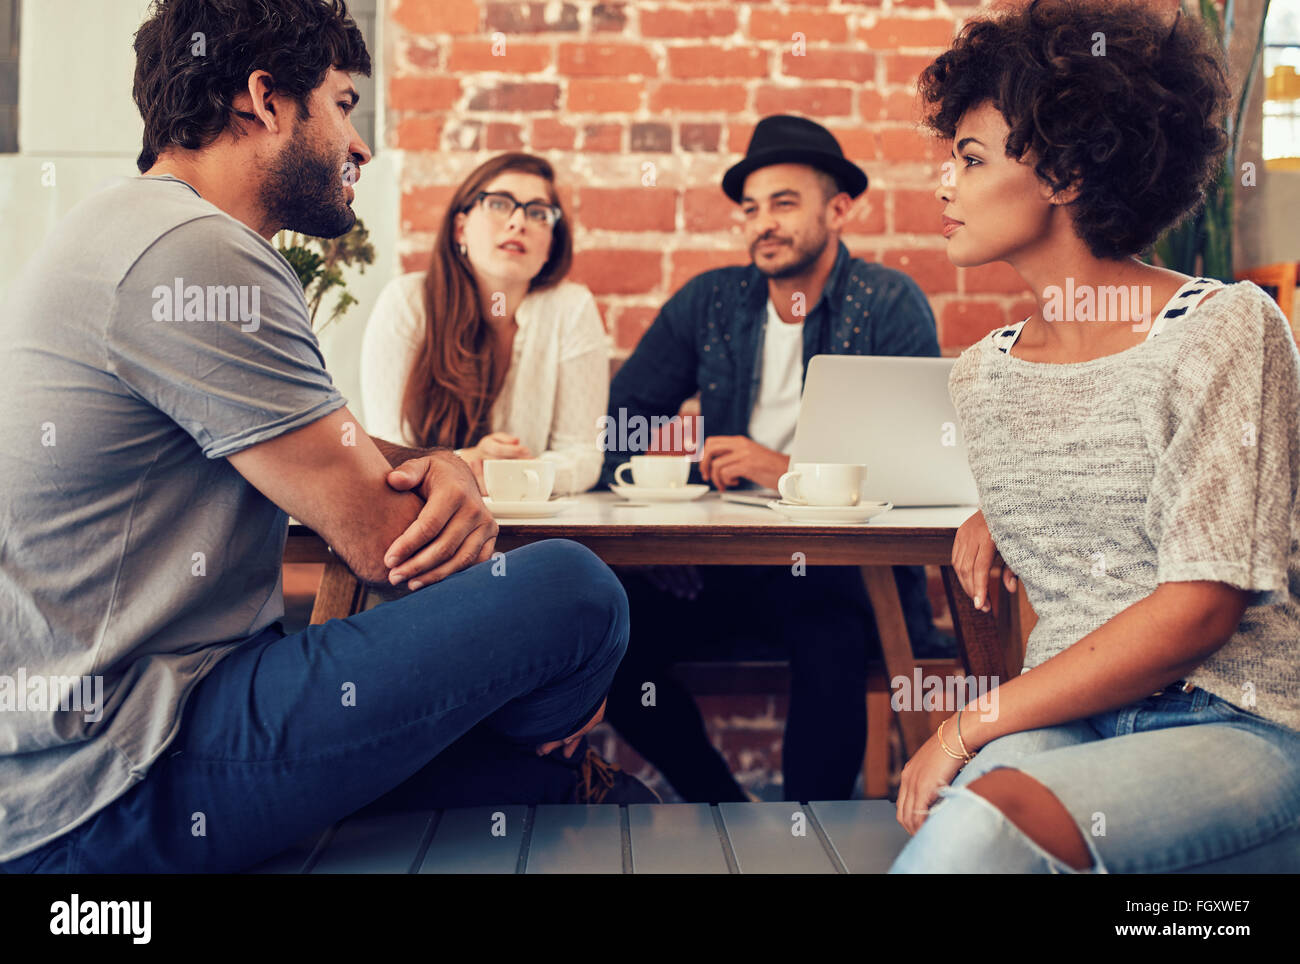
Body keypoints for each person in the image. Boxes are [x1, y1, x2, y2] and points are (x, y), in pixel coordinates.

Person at [0, 0, 647, 876]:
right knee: (578, 594)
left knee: (560, 789)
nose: (362, 146)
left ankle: (528, 767)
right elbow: (388, 544)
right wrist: (429, 482)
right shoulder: (197, 254)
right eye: (344, 105)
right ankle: (535, 748)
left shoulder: (129, 229)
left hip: (131, 732)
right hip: (119, 772)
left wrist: (431, 461)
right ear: (263, 101)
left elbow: (335, 451)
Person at [890, 0, 1300, 873]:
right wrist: (1003, 511)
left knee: (984, 826)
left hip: (1241, 724)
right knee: (962, 827)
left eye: (969, 157)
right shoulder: (984, 374)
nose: (942, 185)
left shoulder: (1224, 329)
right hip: (1072, 723)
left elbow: (1198, 606)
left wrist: (968, 724)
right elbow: (1080, 553)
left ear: (1066, 173)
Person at [600, 114, 953, 803]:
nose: (762, 223)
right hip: (725, 565)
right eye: (751, 209)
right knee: (609, 638)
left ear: (838, 208)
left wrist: (783, 471)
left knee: (830, 629)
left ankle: (809, 831)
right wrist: (659, 528)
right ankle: (723, 810)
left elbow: (919, 470)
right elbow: (623, 421)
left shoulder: (887, 303)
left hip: (843, 574)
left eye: (784, 204)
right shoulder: (710, 302)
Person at [360, 152, 608, 498]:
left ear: (550, 245)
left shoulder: (571, 308)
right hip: (423, 518)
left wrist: (513, 475)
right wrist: (463, 465)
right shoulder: (408, 301)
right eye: (499, 203)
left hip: (535, 520)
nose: (518, 222)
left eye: (538, 213)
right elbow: (386, 452)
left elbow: (583, 455)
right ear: (461, 227)